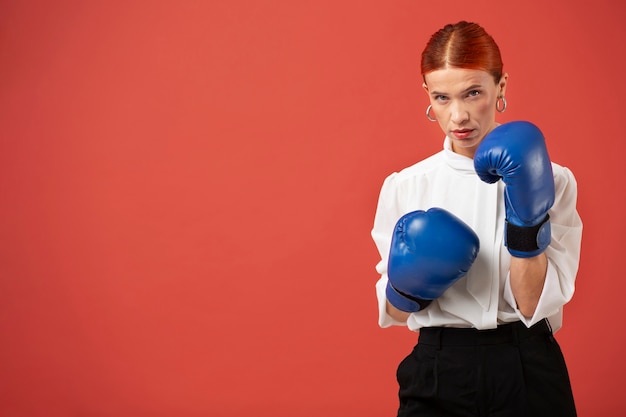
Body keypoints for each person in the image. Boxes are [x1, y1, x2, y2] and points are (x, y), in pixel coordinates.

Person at [371, 21, 582, 417]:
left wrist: (525, 221)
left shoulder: (552, 179)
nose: (459, 115)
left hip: (527, 366)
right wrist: (410, 283)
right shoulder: (405, 186)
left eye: (473, 93)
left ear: (500, 87)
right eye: (442, 98)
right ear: (427, 96)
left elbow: (533, 302)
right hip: (437, 366)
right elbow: (396, 314)